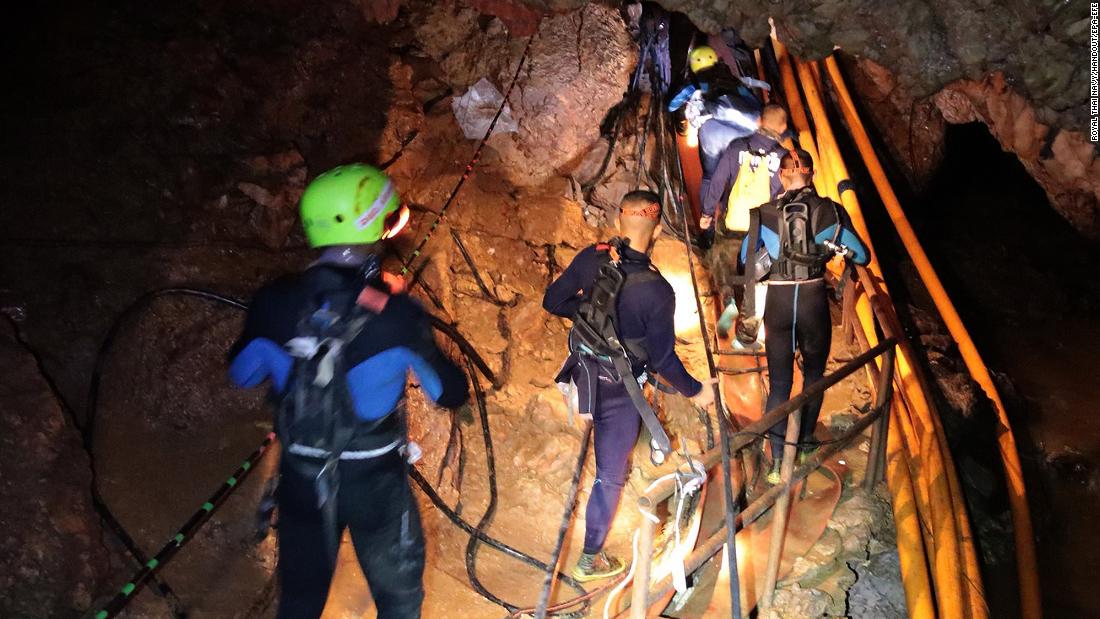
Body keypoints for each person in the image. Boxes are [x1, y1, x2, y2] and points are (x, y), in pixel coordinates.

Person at [227, 164, 469, 619]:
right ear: (376, 226)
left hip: (301, 475)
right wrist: (401, 319)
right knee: (399, 599)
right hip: (374, 481)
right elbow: (449, 392)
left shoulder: (273, 301)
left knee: (299, 599)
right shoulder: (397, 315)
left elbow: (241, 375)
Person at [543, 190, 713, 582]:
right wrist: (695, 390)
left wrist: (588, 316)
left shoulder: (591, 257)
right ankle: (590, 561)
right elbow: (663, 359)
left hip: (583, 373)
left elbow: (553, 301)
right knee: (610, 475)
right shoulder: (657, 291)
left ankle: (592, 552)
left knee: (607, 454)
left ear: (620, 221)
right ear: (655, 229)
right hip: (619, 391)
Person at [738, 149, 869, 483]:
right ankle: (807, 443)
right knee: (813, 375)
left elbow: (745, 261)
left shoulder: (762, 214)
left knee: (780, 382)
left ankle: (777, 461)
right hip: (812, 301)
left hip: (778, 305)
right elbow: (863, 255)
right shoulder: (830, 212)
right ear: (812, 173)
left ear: (781, 176)